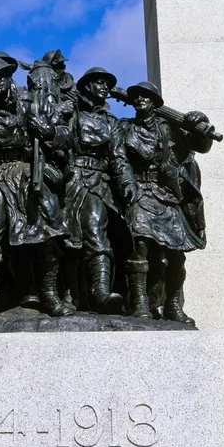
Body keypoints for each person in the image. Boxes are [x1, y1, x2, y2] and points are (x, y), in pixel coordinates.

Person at [0, 56, 75, 323]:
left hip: (29, 170)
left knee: (48, 228)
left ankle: (50, 295)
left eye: (2, 77)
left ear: (10, 77)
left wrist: (49, 131)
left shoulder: (32, 102)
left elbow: (67, 135)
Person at [120, 81, 213, 324]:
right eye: (137, 97)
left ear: (154, 102)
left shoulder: (170, 128)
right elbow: (118, 160)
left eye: (145, 96)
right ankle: (139, 303)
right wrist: (128, 184)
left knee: (176, 256)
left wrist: (200, 121)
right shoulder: (124, 128)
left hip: (166, 194)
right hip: (140, 190)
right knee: (138, 246)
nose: (140, 99)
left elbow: (201, 146)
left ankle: (173, 305)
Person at [62, 67, 138, 314]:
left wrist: (127, 182)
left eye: (107, 83)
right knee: (66, 239)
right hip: (70, 180)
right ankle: (68, 294)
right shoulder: (70, 113)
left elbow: (119, 157)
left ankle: (101, 293)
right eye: (99, 83)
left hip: (98, 183)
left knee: (96, 231)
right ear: (87, 87)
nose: (105, 87)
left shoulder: (111, 122)